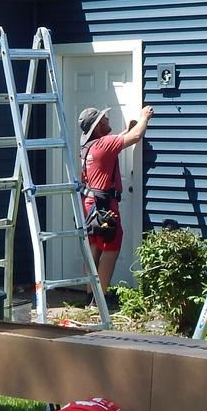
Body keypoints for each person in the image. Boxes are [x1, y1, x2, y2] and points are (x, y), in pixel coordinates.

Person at [78, 103, 153, 292]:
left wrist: (126, 130)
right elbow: (136, 136)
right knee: (111, 249)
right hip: (105, 206)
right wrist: (144, 117)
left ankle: (90, 296)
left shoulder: (89, 146)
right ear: (97, 126)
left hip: (89, 203)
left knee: (94, 248)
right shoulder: (104, 144)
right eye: (103, 119)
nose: (107, 119)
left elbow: (115, 141)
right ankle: (101, 299)